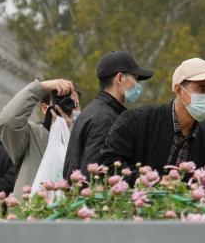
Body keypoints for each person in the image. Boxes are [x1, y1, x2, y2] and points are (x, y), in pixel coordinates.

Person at [100, 57, 205, 171]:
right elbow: (107, 164)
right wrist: (150, 181)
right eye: (202, 89)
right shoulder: (137, 120)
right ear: (178, 90)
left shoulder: (204, 142)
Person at [63, 51, 153, 180]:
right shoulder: (107, 119)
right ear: (120, 78)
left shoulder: (93, 110)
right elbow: (94, 173)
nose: (138, 85)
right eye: (136, 78)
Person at [0, 77, 79, 195]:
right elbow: (8, 121)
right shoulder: (31, 136)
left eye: (73, 104)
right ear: (45, 108)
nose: (67, 109)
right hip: (33, 205)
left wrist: (71, 130)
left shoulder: (83, 139)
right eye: (62, 104)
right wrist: (41, 87)